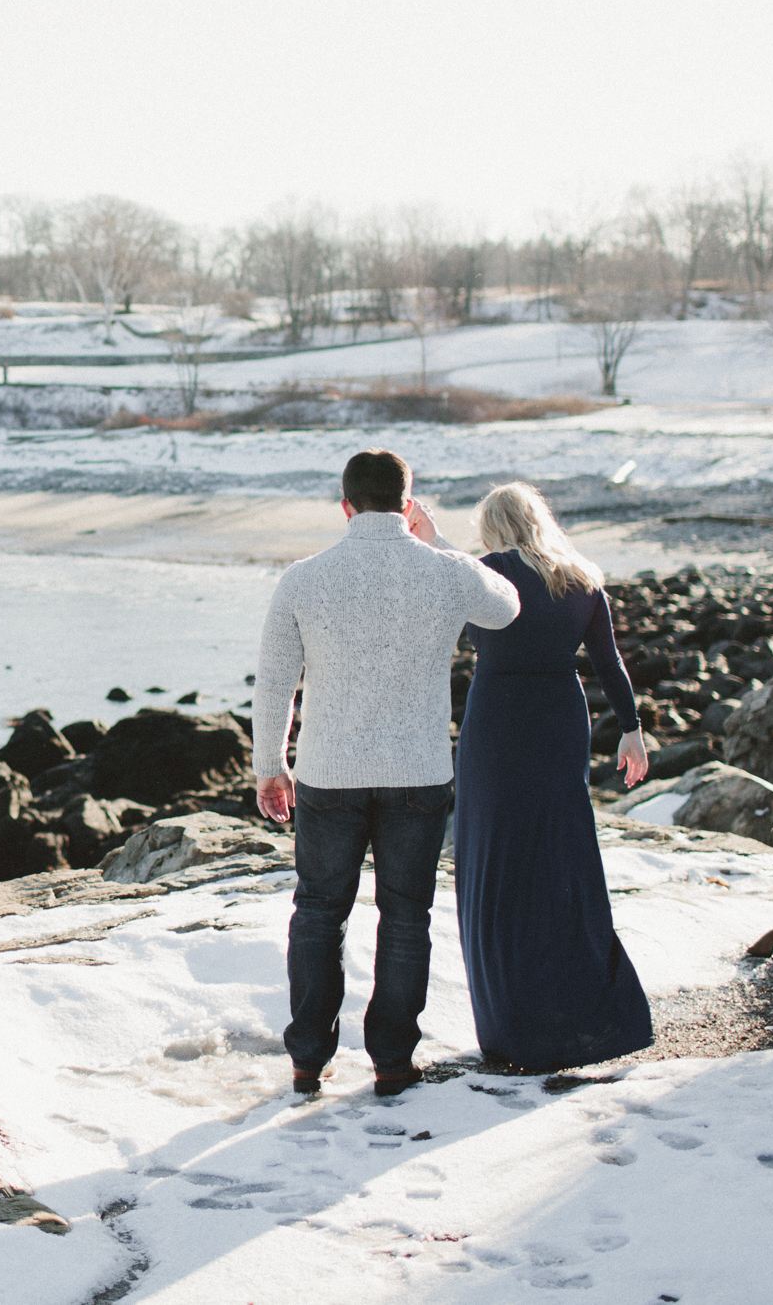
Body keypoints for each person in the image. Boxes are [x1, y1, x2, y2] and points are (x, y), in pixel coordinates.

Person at [255, 449, 522, 1098]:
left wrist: (271, 765)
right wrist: (443, 542)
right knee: (406, 916)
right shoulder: (444, 571)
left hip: (329, 772)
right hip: (418, 773)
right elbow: (507, 606)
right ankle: (393, 1061)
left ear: (345, 506)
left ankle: (308, 1059)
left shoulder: (303, 578)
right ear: (408, 503)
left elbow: (275, 683)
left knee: (318, 912)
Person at [454, 482, 655, 1070]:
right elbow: (609, 662)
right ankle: (585, 1010)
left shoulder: (483, 572)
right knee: (560, 852)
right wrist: (632, 729)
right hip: (561, 718)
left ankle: (512, 1020)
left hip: (498, 719)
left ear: (493, 525)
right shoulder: (581, 578)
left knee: (498, 857)